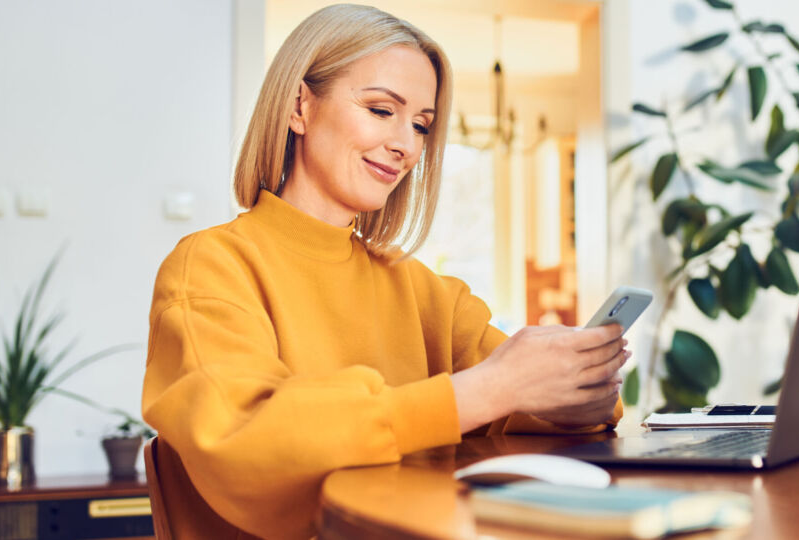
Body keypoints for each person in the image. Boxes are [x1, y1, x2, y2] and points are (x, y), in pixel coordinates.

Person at [141, 5, 628, 538]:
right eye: (380, 110)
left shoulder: (419, 289)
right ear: (299, 106)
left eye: (421, 125)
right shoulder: (210, 267)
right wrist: (489, 390)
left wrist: (583, 391)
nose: (405, 146)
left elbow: (530, 406)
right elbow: (248, 441)